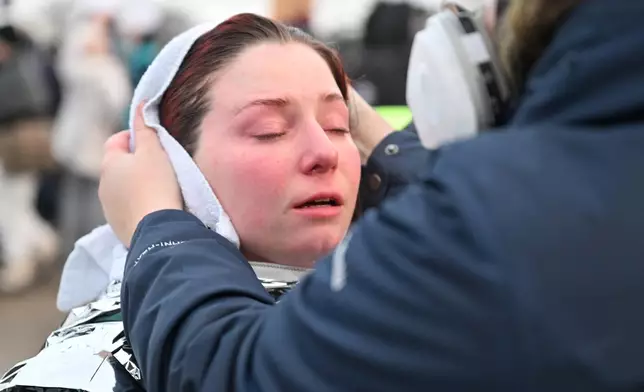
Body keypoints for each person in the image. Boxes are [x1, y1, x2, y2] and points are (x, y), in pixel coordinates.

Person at [98, 0, 644, 390]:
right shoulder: (85, 369)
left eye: (339, 125)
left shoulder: (476, 234)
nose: (327, 152)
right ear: (172, 162)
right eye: (268, 129)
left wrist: (157, 226)